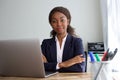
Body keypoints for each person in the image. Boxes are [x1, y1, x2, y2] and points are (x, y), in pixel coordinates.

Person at [41, 6, 85, 72]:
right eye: (54, 21)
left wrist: (52, 66)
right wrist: (64, 64)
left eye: (62, 20)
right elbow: (41, 66)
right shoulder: (46, 43)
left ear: (68, 22)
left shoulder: (77, 42)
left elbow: (80, 67)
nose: (58, 24)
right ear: (51, 24)